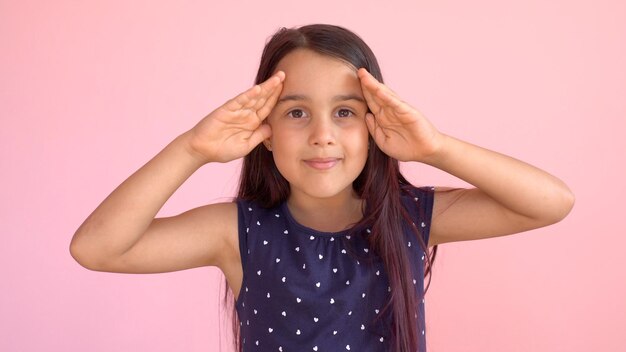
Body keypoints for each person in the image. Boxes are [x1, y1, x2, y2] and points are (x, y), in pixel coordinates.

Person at [69, 24, 574, 352]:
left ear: (375, 124)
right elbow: (96, 247)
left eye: (345, 112)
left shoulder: (409, 218)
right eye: (296, 112)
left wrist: (436, 147)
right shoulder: (236, 232)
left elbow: (552, 202)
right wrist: (191, 149)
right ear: (264, 133)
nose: (322, 134)